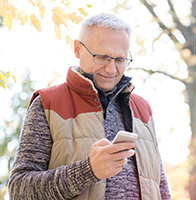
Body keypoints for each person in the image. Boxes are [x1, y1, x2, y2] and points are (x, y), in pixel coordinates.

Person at [8, 13, 171, 200]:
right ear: (77, 49)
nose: (111, 69)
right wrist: (89, 170)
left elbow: (162, 189)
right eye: (102, 57)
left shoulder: (143, 109)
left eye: (120, 60)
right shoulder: (48, 103)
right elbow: (19, 190)